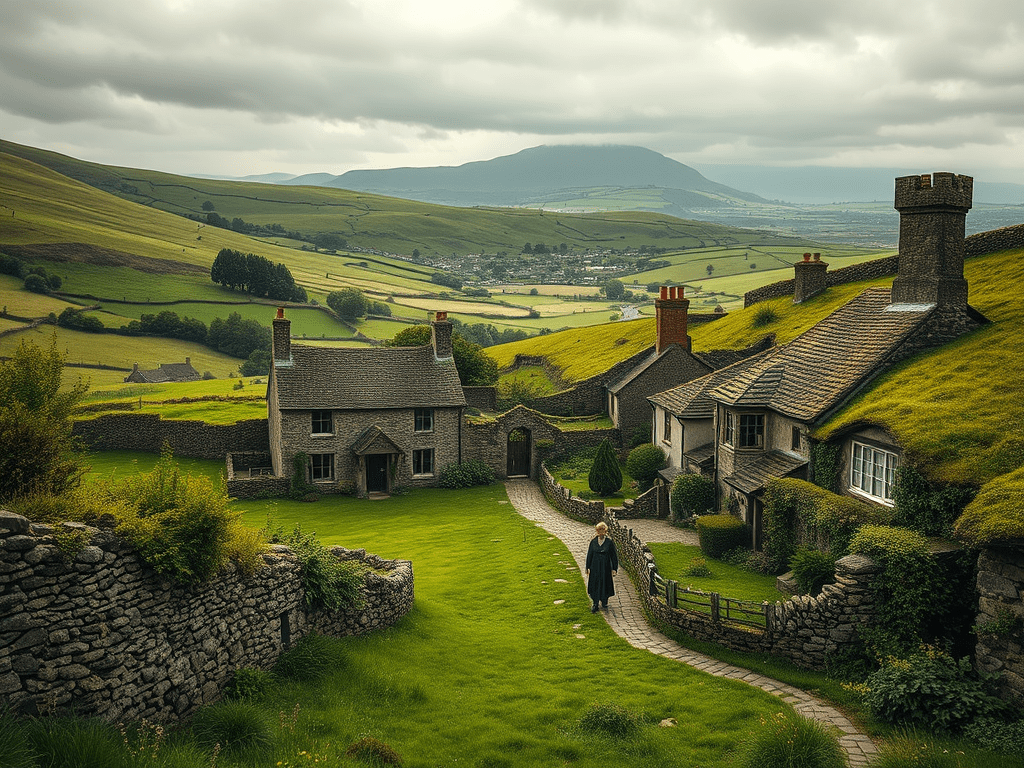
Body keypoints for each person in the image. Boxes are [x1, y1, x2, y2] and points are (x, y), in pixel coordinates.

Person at [585, 521, 618, 612]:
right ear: (597, 531)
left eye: (603, 530)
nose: (601, 532)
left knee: (605, 583)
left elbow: (613, 556)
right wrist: (587, 567)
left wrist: (614, 568)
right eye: (599, 530)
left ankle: (604, 600)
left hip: (605, 567)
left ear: (606, 531)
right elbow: (590, 555)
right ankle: (595, 603)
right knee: (595, 583)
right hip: (595, 567)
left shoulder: (609, 542)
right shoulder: (593, 542)